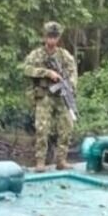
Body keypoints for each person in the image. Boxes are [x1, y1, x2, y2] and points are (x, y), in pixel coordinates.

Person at [23, 21, 77, 171]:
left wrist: (69, 85)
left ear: (58, 38)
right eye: (49, 36)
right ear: (44, 37)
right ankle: (40, 162)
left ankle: (61, 160)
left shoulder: (64, 55)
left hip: (61, 95)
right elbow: (26, 69)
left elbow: (73, 73)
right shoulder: (37, 54)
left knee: (66, 126)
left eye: (55, 37)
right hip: (44, 95)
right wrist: (47, 73)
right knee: (42, 129)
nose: (52, 40)